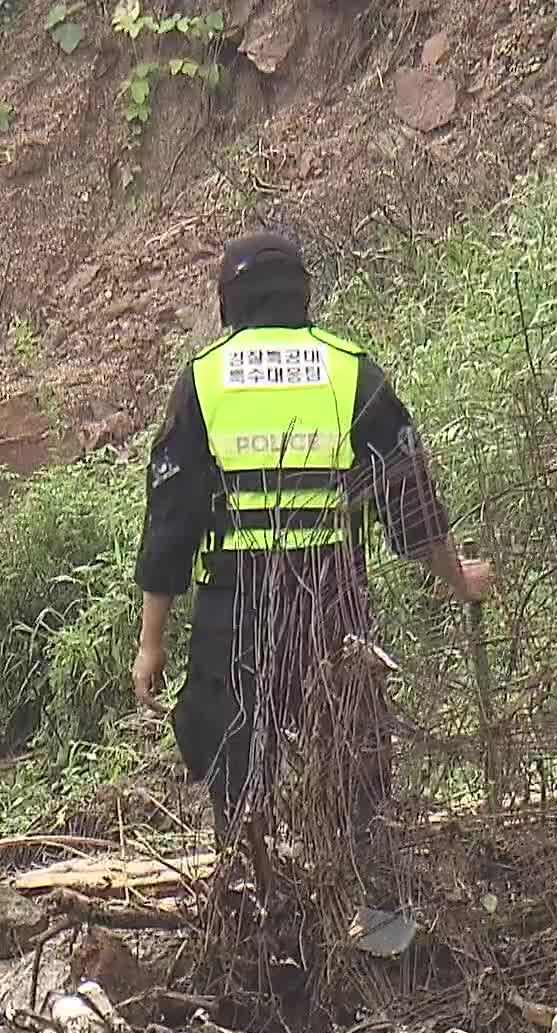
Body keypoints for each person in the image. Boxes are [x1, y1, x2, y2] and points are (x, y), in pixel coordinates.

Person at [130, 229, 496, 853]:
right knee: (355, 760)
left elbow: (171, 518)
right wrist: (456, 576)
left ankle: (251, 900)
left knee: (238, 774)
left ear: (229, 302)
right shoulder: (349, 371)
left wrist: (151, 642)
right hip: (332, 602)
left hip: (235, 614)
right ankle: (366, 903)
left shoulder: (204, 379)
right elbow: (407, 492)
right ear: (303, 297)